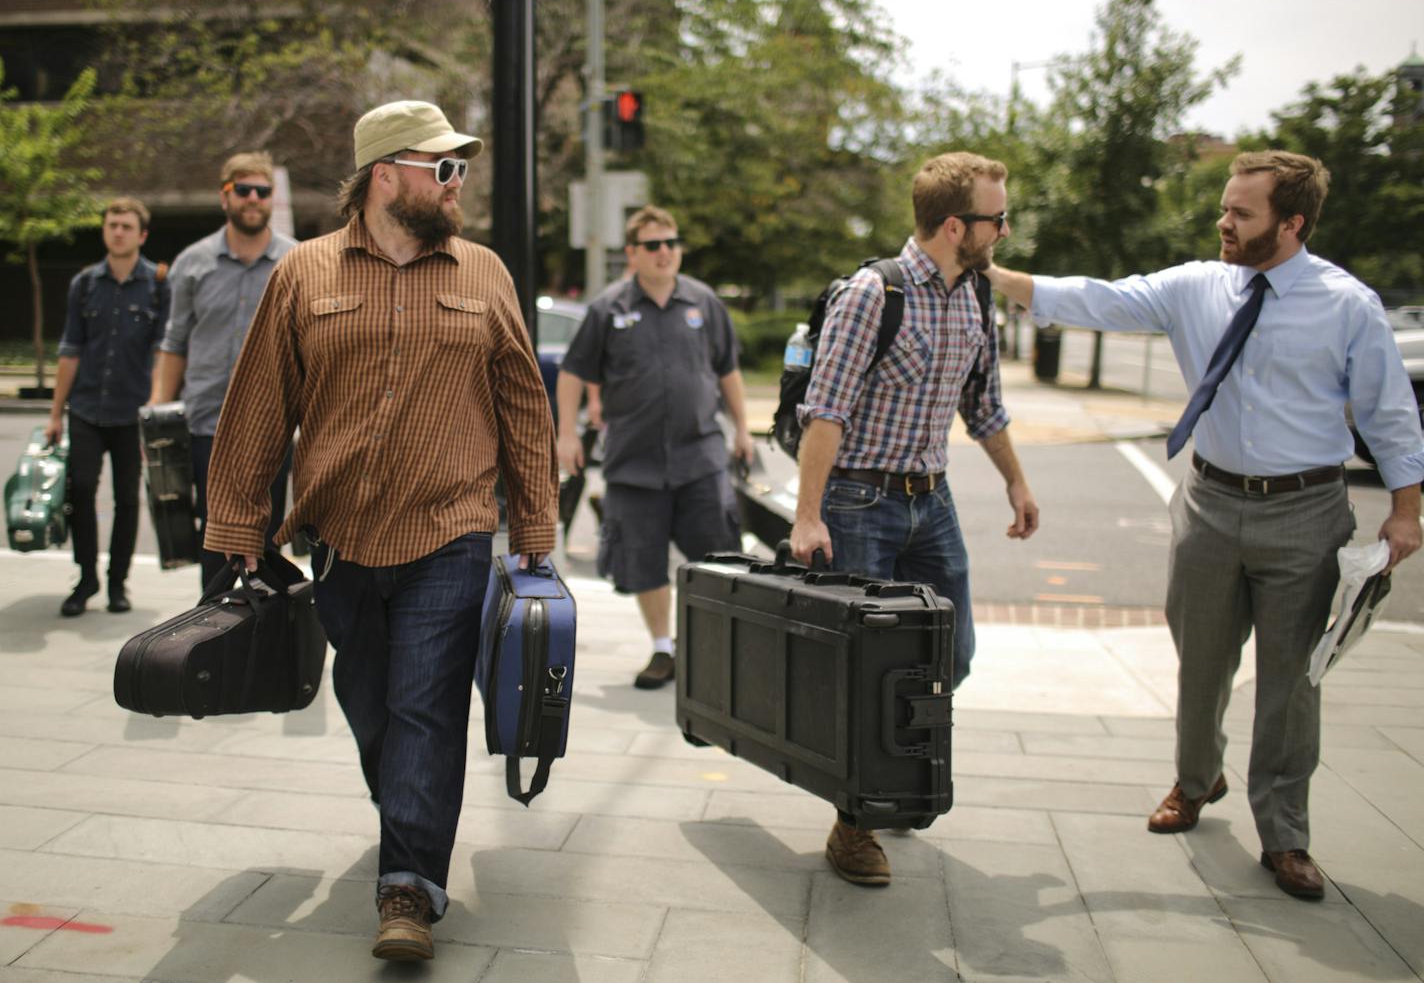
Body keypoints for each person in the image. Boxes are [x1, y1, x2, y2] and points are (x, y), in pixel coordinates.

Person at [987, 150, 1423, 901]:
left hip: (1306, 511)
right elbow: (1097, 299)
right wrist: (989, 273)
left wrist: (1407, 510)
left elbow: (1388, 411)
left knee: (1292, 682)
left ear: (1291, 223)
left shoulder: (1346, 304)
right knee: (1202, 660)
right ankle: (1196, 782)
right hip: (1209, 504)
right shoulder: (1196, 287)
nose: (1223, 222)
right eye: (1224, 208)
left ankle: (1285, 834)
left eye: (1241, 213)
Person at [203, 99, 557, 962]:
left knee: (423, 705)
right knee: (369, 706)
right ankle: (408, 816)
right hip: (340, 536)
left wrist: (536, 522)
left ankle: (408, 885)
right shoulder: (306, 274)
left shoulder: (483, 274)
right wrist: (237, 522)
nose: (457, 183)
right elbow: (258, 402)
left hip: (452, 529)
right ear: (385, 176)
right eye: (444, 168)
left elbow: (521, 400)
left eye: (460, 168)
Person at [789, 151, 1039, 888]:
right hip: (858, 500)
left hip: (932, 500)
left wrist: (1017, 482)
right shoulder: (874, 293)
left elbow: (982, 405)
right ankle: (855, 821)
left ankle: (880, 773)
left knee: (949, 656)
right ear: (956, 224)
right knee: (868, 670)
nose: (1006, 230)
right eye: (998, 219)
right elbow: (825, 409)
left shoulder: (974, 297)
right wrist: (808, 517)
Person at [555, 206, 754, 690]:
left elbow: (727, 370)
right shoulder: (609, 309)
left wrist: (744, 429)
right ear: (632, 253)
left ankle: (704, 648)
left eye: (671, 242)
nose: (665, 252)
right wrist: (565, 434)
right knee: (642, 560)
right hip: (634, 462)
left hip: (700, 456)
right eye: (653, 245)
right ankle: (662, 649)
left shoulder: (703, 303)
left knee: (716, 557)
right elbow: (573, 372)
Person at [149, 151, 297, 589]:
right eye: (244, 190)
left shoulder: (297, 262)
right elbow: (174, 343)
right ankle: (212, 637)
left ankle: (267, 641)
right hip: (204, 423)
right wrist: (157, 411)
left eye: (263, 191)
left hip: (270, 426)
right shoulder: (192, 263)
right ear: (224, 196)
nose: (254, 199)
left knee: (266, 540)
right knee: (212, 535)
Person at [45, 197, 170, 616]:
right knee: (80, 491)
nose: (118, 231)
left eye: (126, 226)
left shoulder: (157, 283)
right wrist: (55, 413)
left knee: (127, 500)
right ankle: (86, 579)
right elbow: (70, 348)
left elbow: (163, 354)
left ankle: (118, 583)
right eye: (112, 224)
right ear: (105, 231)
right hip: (85, 408)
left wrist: (154, 414)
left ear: (141, 234)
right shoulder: (84, 284)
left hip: (132, 412)